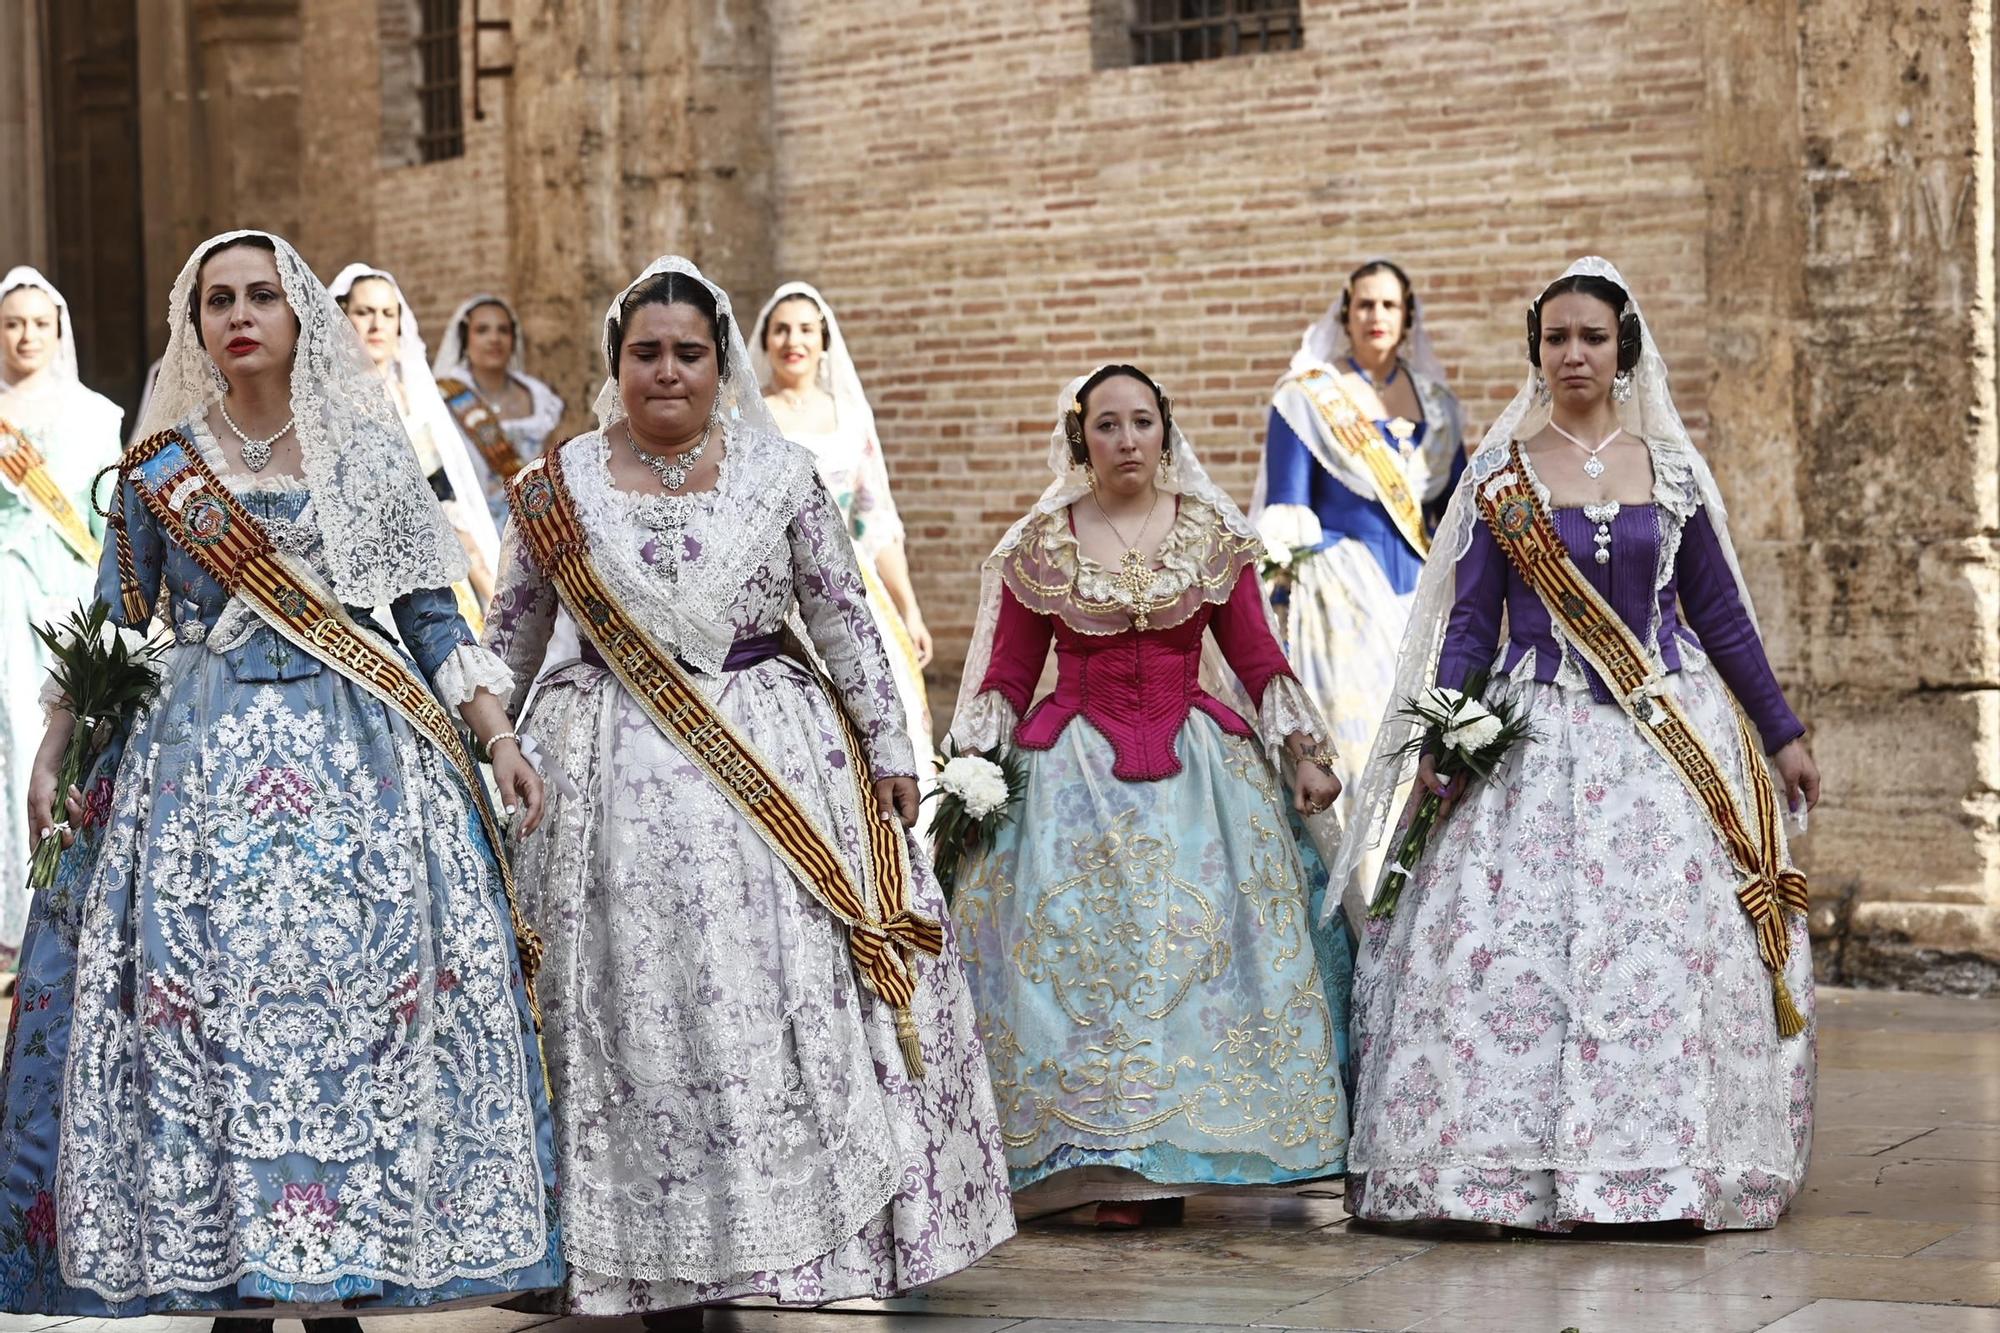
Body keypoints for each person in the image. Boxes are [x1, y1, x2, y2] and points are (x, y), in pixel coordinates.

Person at [0, 230, 562, 1319]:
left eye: (263, 294)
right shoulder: (162, 467)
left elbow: (432, 616)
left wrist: (497, 735)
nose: (241, 314)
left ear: (299, 314)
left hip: (363, 762)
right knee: (205, 1017)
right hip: (192, 773)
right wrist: (55, 740)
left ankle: (347, 1266)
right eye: (220, 300)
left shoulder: (364, 450)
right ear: (196, 324)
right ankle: (229, 1271)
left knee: (351, 1023)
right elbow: (117, 620)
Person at [481, 256, 1013, 1326]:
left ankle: (782, 1238)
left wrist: (890, 749)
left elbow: (843, 615)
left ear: (718, 365)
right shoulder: (556, 485)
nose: (665, 372)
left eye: (686, 354)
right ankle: (625, 1246)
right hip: (600, 798)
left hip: (773, 780)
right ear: (614, 364)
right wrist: (491, 737)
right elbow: (509, 633)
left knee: (771, 998)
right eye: (645, 354)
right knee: (625, 1008)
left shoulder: (780, 478)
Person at [1337, 257, 1821, 1232]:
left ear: (1622, 348)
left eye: (1590, 337)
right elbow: (1470, 623)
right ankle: (1497, 1171)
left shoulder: (1670, 470)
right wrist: (1442, 726)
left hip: (1661, 744)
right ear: (1535, 351)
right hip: (1532, 738)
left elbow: (1718, 615)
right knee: (1520, 953)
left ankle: (1664, 1164)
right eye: (1554, 337)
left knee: (1653, 957)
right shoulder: (1501, 477)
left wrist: (1780, 730)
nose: (1571, 354)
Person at [945, 365, 1353, 1229]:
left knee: (1194, 955)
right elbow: (1011, 672)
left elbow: (1256, 657)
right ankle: (1105, 1160)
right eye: (1107, 425)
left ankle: (1190, 1145)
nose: (1127, 440)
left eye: (1141, 423)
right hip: (1071, 780)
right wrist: (974, 772)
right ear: (1079, 438)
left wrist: (1303, 753)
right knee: (1091, 959)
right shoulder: (1042, 545)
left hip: (1202, 777)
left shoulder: (1211, 535)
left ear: (1165, 432)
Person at [1252, 260, 1466, 911]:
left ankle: (1428, 912)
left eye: (1389, 305)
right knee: (1368, 753)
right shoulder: (1307, 396)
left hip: (1423, 606)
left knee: (1427, 756)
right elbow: (1285, 509)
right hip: (1342, 607)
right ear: (1345, 313)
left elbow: (1457, 513)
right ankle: (1364, 907)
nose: (1376, 316)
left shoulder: (1438, 406)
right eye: (1364, 304)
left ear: (1407, 319)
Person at [752, 281, 936, 789]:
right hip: (773, 583)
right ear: (765, 341)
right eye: (782, 329)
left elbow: (875, 521)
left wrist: (910, 609)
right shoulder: (747, 418)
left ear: (825, 341)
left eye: (807, 330)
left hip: (850, 582)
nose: (795, 340)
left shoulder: (851, 419)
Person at [0, 267, 123, 963]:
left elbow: (108, 516)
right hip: (4, 589)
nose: (26, 336)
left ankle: (62, 899)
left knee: (70, 732)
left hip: (72, 586)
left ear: (59, 331)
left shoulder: (95, 414)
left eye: (38, 324)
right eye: (13, 323)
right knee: (10, 734)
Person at [327, 263, 500, 617]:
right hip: (356, 566)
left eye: (388, 314)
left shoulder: (414, 398)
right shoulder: (327, 400)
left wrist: (485, 581)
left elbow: (442, 493)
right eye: (364, 312)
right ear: (343, 316)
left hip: (427, 561)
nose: (377, 325)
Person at [431, 294, 565, 526]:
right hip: (467, 525)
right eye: (482, 330)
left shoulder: (539, 395)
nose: (494, 339)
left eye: (503, 330)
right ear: (465, 338)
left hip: (531, 525)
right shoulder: (446, 395)